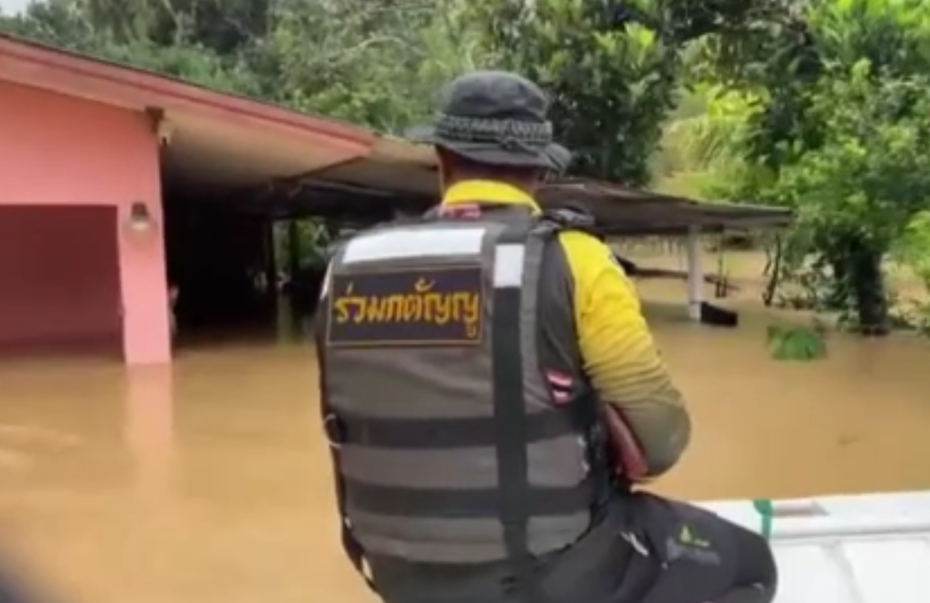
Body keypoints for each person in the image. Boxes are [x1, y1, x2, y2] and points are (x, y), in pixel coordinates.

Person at [314, 70, 777, 603]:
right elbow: (661, 442)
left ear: (441, 159)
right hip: (548, 576)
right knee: (749, 565)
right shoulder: (573, 259)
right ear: (539, 170)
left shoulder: (344, 271)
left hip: (394, 572)